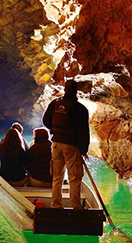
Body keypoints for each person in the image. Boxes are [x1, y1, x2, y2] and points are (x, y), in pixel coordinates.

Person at [42, 79, 90, 209]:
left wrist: (54, 130)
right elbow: (84, 132)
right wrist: (83, 150)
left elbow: (45, 120)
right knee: (74, 178)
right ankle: (76, 207)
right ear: (76, 91)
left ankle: (55, 205)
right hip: (71, 146)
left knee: (57, 177)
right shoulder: (80, 109)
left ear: (65, 89)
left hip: (56, 144)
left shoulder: (55, 104)